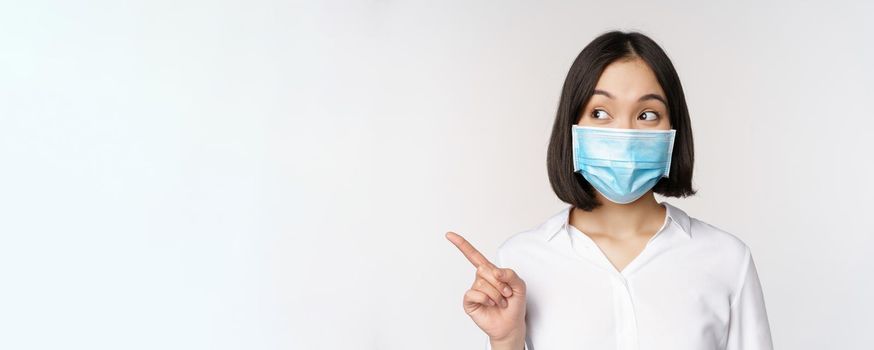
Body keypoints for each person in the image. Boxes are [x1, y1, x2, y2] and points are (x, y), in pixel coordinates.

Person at [446, 30, 774, 350]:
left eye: (647, 114)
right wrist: (506, 342)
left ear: (673, 130)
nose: (625, 134)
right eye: (600, 113)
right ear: (572, 126)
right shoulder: (519, 263)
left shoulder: (727, 260)